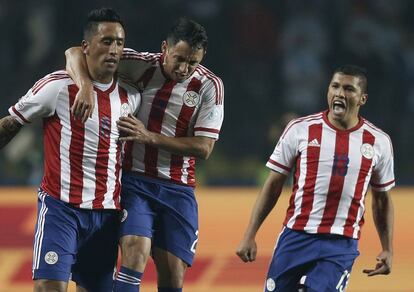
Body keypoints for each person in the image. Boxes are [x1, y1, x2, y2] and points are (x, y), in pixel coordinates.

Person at [65, 17, 224, 292]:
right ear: (165, 48)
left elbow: (204, 147)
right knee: (135, 250)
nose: (184, 68)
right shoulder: (140, 64)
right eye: (179, 59)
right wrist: (86, 86)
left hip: (178, 188)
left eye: (193, 62)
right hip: (134, 181)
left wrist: (148, 136)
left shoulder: (210, 86)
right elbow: (75, 52)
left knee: (173, 276)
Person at [0, 8, 141, 292]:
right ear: (86, 46)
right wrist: (85, 85)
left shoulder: (131, 96)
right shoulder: (56, 87)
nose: (114, 49)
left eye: (119, 42)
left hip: (106, 214)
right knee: (48, 286)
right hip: (61, 209)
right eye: (106, 41)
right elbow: (11, 123)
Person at [236, 65, 394, 292]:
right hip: (295, 237)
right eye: (335, 86)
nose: (340, 93)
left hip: (340, 243)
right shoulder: (300, 129)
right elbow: (273, 185)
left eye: (349, 89)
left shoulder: (379, 142)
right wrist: (250, 234)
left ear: (362, 99)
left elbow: (382, 200)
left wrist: (387, 248)